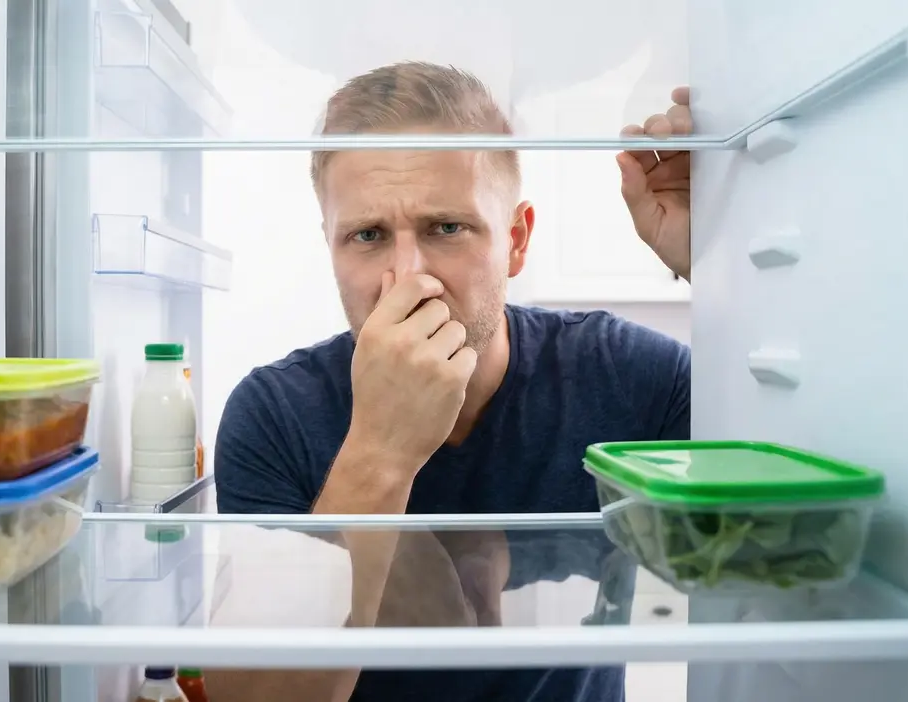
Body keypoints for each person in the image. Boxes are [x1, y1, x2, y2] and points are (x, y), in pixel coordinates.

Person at [207, 61, 693, 702]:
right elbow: (258, 696)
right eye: (368, 236)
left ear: (516, 241)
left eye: (446, 228)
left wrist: (718, 262)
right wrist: (380, 448)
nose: (409, 277)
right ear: (331, 248)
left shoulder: (631, 376)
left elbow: (798, 540)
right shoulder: (272, 414)